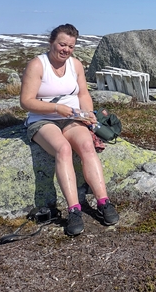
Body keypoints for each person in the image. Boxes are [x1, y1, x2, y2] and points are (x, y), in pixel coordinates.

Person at [20, 23, 119, 236]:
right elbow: (26, 102)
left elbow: (83, 93)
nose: (66, 49)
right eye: (62, 44)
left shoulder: (75, 65)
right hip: (43, 119)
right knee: (63, 149)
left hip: (72, 117)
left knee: (86, 145)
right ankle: (74, 210)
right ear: (52, 42)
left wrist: (88, 114)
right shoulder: (37, 65)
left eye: (71, 46)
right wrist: (56, 108)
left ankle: (103, 202)